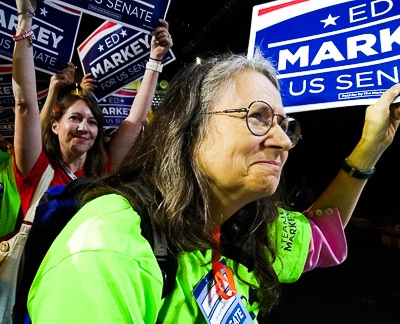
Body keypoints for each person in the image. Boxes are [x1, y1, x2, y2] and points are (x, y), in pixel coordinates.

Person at [26, 51, 400, 323]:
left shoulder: (246, 223)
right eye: (258, 117)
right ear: (187, 129)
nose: (284, 142)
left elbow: (319, 234)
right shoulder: (106, 253)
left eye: (286, 126)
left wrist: (371, 146)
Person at [12, 0, 173, 216]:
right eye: (75, 118)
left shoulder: (102, 169)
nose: (84, 127)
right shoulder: (36, 169)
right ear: (55, 126)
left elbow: (135, 120)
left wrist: (155, 59)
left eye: (92, 121)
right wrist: (25, 17)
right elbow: (25, 104)